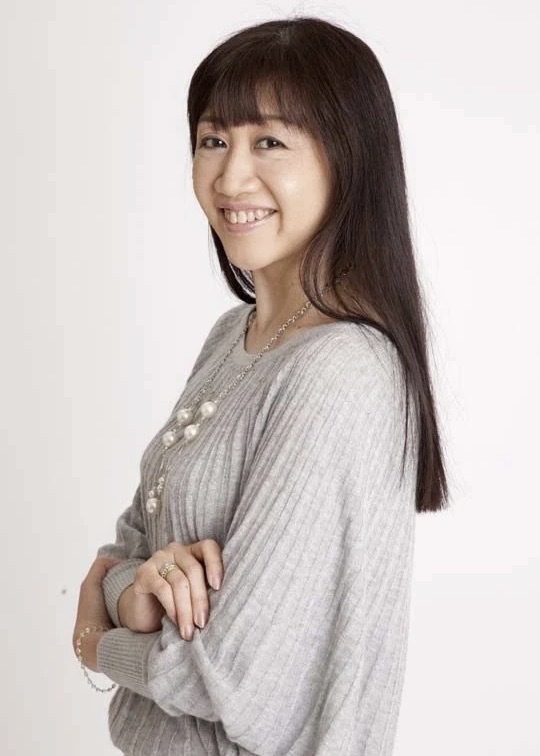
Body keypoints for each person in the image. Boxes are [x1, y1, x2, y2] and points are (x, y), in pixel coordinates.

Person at [72, 15, 448, 756]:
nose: (230, 178)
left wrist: (96, 639)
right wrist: (130, 589)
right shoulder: (233, 336)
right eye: (213, 140)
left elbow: (237, 681)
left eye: (270, 142)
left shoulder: (340, 372)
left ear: (348, 160)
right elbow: (129, 544)